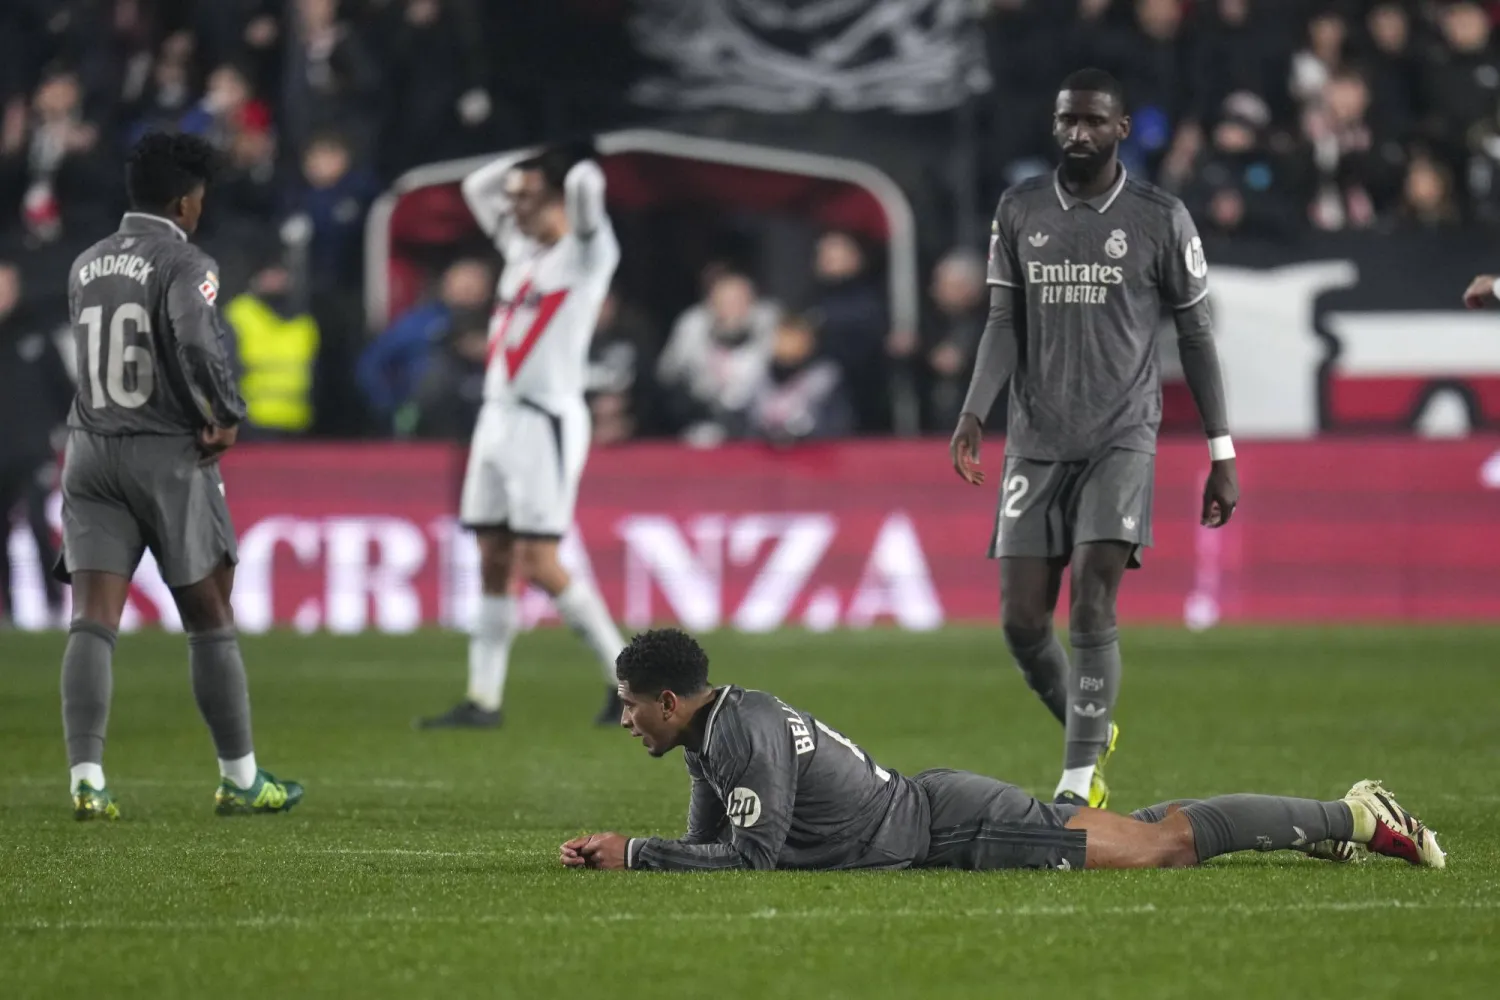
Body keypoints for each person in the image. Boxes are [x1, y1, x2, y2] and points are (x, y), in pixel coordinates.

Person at [560, 629, 1445, 873]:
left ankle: (1355, 816)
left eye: (633, 707)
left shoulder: (741, 734)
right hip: (938, 815)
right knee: (1139, 829)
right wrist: (642, 855)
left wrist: (633, 855)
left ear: (670, 700)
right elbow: (715, 849)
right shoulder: (713, 733)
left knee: (1159, 844)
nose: (628, 720)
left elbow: (747, 860)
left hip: (956, 830)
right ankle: (1326, 824)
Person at [949, 69, 1239, 810]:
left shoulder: (1159, 217)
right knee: (1020, 622)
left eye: (1092, 122)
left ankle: (1079, 779)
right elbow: (1003, 324)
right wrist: (976, 413)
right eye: (1066, 121)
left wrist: (1220, 451)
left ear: (1120, 130)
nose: (1077, 133)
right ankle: (1091, 725)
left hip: (1122, 436)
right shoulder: (1019, 210)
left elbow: (1196, 336)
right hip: (1035, 439)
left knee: (1092, 603)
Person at [53, 131, 302, 820]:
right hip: (164, 453)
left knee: (93, 621)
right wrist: (224, 411)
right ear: (183, 202)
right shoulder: (185, 261)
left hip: (91, 450)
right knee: (209, 618)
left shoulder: (85, 264)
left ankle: (87, 778)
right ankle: (241, 778)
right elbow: (194, 339)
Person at [418, 143, 626, 729]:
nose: (511, 207)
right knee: (491, 553)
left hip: (545, 419)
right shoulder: (520, 250)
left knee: (538, 559)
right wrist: (526, 165)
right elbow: (476, 185)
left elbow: (586, 183)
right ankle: (483, 700)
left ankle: (624, 678)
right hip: (497, 416)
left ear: (556, 197)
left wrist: (568, 157)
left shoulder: (587, 253)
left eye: (526, 197)